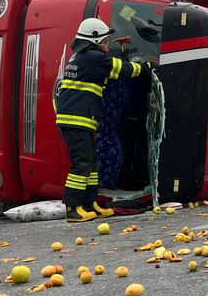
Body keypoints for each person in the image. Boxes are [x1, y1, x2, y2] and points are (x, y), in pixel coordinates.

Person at [54, 17, 151, 222]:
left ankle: (90, 204)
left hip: (78, 119)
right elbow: (123, 69)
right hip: (76, 120)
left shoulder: (80, 57)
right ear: (95, 40)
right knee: (81, 164)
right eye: (105, 41)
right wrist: (145, 68)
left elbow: (105, 75)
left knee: (92, 163)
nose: (107, 44)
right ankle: (72, 207)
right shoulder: (93, 58)